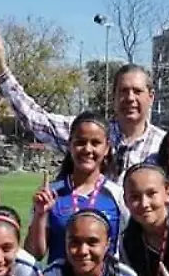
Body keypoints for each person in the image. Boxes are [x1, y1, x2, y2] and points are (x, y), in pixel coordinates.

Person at [0, 25, 165, 176]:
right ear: (114, 96)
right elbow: (34, 119)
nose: (130, 98)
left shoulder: (163, 146)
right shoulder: (88, 134)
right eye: (124, 91)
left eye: (137, 91)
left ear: (151, 96)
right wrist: (0, 69)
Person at [25, 112, 128, 263]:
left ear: (106, 148)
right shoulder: (51, 194)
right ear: (70, 145)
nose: (87, 149)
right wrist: (40, 214)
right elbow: (34, 254)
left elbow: (128, 252)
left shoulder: (118, 195)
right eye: (80, 142)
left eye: (95, 143)